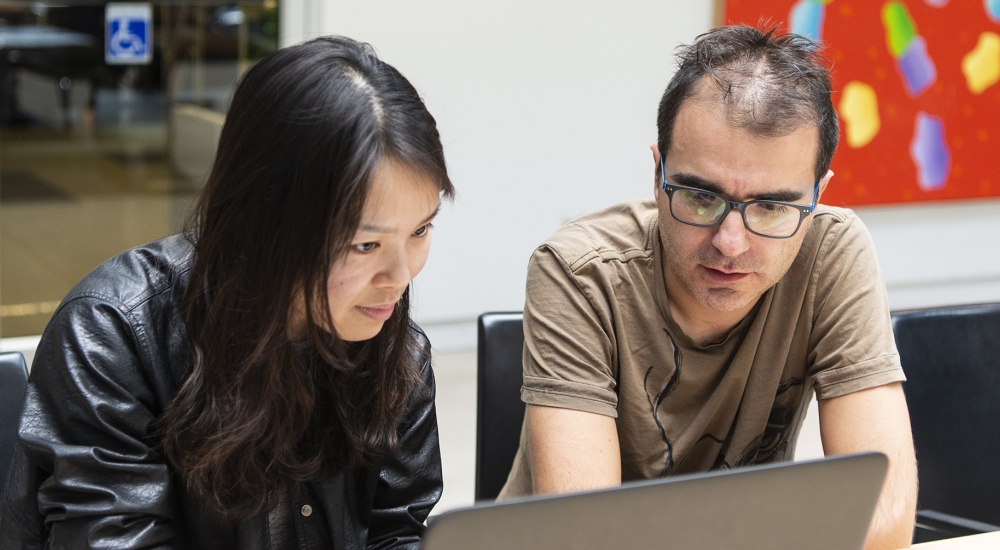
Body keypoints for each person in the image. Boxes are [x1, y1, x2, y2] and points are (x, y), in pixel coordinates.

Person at [0, 36, 453, 549]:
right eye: (365, 244)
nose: (401, 275)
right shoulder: (114, 337)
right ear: (265, 220)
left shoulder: (397, 350)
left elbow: (397, 534)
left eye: (420, 231)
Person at [499, 25, 917, 550]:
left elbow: (885, 521)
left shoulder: (832, 253)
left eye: (772, 206)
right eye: (700, 196)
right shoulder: (579, 273)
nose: (731, 242)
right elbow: (587, 538)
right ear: (658, 176)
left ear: (816, 199)